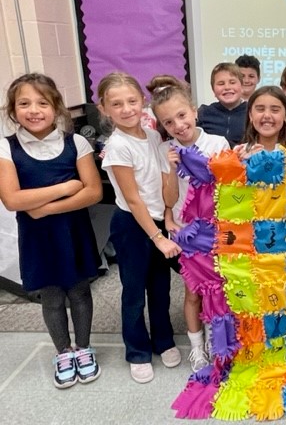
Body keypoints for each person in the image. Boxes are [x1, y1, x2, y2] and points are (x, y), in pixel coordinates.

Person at [0, 73, 102, 388]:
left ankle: (84, 348)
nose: (34, 110)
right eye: (24, 103)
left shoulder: (77, 142)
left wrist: (44, 207)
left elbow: (93, 192)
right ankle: (63, 352)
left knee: (80, 290)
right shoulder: (6, 147)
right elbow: (13, 199)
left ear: (55, 106)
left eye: (42, 102)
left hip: (74, 231)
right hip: (37, 238)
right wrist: (67, 187)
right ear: (12, 109)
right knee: (52, 295)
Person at [97, 72, 182, 384]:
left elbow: (163, 186)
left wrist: (168, 216)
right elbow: (133, 200)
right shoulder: (117, 146)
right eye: (116, 104)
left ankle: (164, 340)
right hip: (133, 225)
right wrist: (158, 237)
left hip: (157, 220)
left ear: (142, 102)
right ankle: (137, 350)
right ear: (104, 108)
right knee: (134, 290)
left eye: (132, 101)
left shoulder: (154, 136)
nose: (126, 108)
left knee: (160, 287)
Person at [148, 75, 230, 372]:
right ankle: (197, 348)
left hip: (219, 230)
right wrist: (171, 169)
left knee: (219, 289)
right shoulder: (165, 149)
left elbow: (227, 186)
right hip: (189, 231)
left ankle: (213, 339)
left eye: (182, 116)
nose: (178, 125)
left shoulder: (217, 143)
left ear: (194, 111)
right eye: (169, 122)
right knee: (193, 291)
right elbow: (168, 197)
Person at [234, 86, 286, 160]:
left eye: (275, 110)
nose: (267, 115)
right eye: (260, 109)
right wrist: (242, 163)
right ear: (250, 115)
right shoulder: (239, 153)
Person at [197, 62, 246, 147]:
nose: (227, 87)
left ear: (241, 86)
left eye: (232, 82)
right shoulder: (204, 113)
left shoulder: (252, 112)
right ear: (213, 90)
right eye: (221, 84)